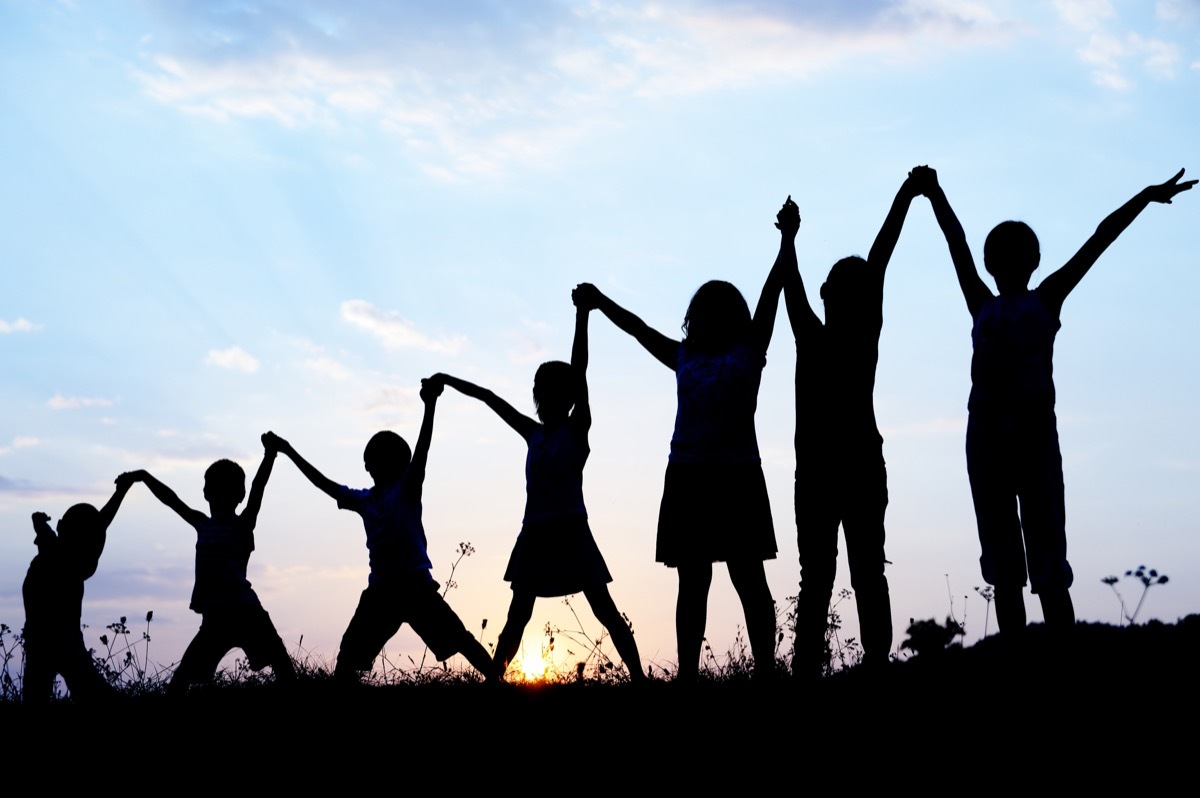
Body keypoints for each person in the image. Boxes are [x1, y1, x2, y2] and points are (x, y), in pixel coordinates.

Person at [917, 166, 1195, 635]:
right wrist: (935, 194)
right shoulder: (993, 304)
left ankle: (1056, 657)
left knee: (1042, 558)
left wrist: (1145, 197)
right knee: (1008, 562)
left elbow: (1098, 239)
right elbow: (958, 242)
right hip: (989, 441)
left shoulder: (1036, 301)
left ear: (1028, 261)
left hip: (1027, 438)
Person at [575, 201, 793, 680]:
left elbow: (772, 291)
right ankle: (690, 678)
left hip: (734, 473)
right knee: (695, 582)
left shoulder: (749, 348)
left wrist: (786, 240)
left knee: (746, 578)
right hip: (692, 476)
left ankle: (765, 672)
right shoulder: (686, 355)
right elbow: (637, 330)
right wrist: (599, 300)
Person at [430, 291, 645, 682]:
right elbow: (489, 398)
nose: (541, 396)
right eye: (538, 389)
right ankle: (495, 679)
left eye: (549, 390)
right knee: (518, 616)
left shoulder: (577, 429)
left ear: (566, 397)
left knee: (605, 609)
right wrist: (447, 379)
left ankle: (640, 679)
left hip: (571, 530)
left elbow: (581, 370)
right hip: (535, 533)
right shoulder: (533, 433)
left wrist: (583, 315)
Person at [265, 380, 496, 683]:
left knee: (459, 639)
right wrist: (287, 450)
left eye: (381, 461)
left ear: (400, 464)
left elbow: (423, 449)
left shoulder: (407, 489)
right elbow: (323, 483)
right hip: (383, 591)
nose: (375, 467)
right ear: (369, 466)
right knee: (350, 655)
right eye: (373, 462)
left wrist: (430, 405)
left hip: (415, 586)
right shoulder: (364, 500)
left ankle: (498, 679)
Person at [783, 171, 922, 676]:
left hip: (838, 469)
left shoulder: (825, 335)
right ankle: (868, 666)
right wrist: (906, 195)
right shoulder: (843, 334)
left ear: (829, 294)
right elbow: (878, 257)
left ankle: (840, 669)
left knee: (829, 575)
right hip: (842, 468)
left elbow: (799, 283)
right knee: (856, 571)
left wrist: (789, 238)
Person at [125, 439, 296, 694]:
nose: (217, 495)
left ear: (238, 495)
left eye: (224, 490)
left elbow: (258, 487)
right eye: (213, 489)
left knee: (284, 670)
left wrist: (270, 455)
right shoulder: (202, 524)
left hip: (246, 612)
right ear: (206, 493)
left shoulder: (243, 524)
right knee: (183, 679)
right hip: (215, 618)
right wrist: (144, 476)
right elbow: (171, 499)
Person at [22, 475, 135, 702]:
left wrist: (39, 522)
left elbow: (98, 523)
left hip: (48, 641)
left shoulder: (57, 552)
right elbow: (100, 523)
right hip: (58, 642)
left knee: (43, 695)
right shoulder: (73, 559)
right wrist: (121, 492)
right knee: (92, 693)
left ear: (62, 527)